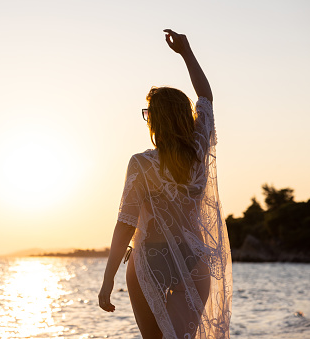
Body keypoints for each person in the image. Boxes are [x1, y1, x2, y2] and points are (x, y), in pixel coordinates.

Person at [98, 29, 232, 339]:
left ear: (155, 120)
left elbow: (125, 224)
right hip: (192, 260)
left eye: (148, 115)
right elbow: (206, 98)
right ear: (186, 117)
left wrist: (108, 282)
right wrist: (186, 52)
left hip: (149, 261)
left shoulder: (142, 163)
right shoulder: (199, 151)